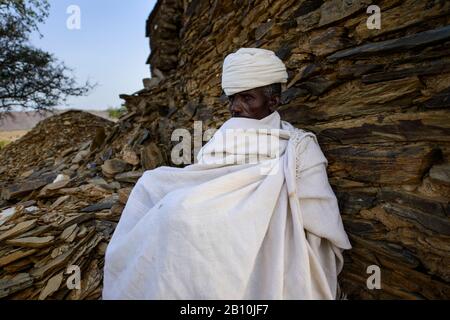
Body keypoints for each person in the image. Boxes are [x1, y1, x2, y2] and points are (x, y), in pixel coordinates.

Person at [102, 47, 352, 300]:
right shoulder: (226, 133)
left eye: (247, 98)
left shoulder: (299, 146)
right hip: (210, 207)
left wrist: (255, 209)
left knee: (183, 216)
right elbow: (204, 174)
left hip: (255, 226)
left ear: (273, 101)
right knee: (152, 185)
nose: (236, 108)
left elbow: (319, 214)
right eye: (232, 99)